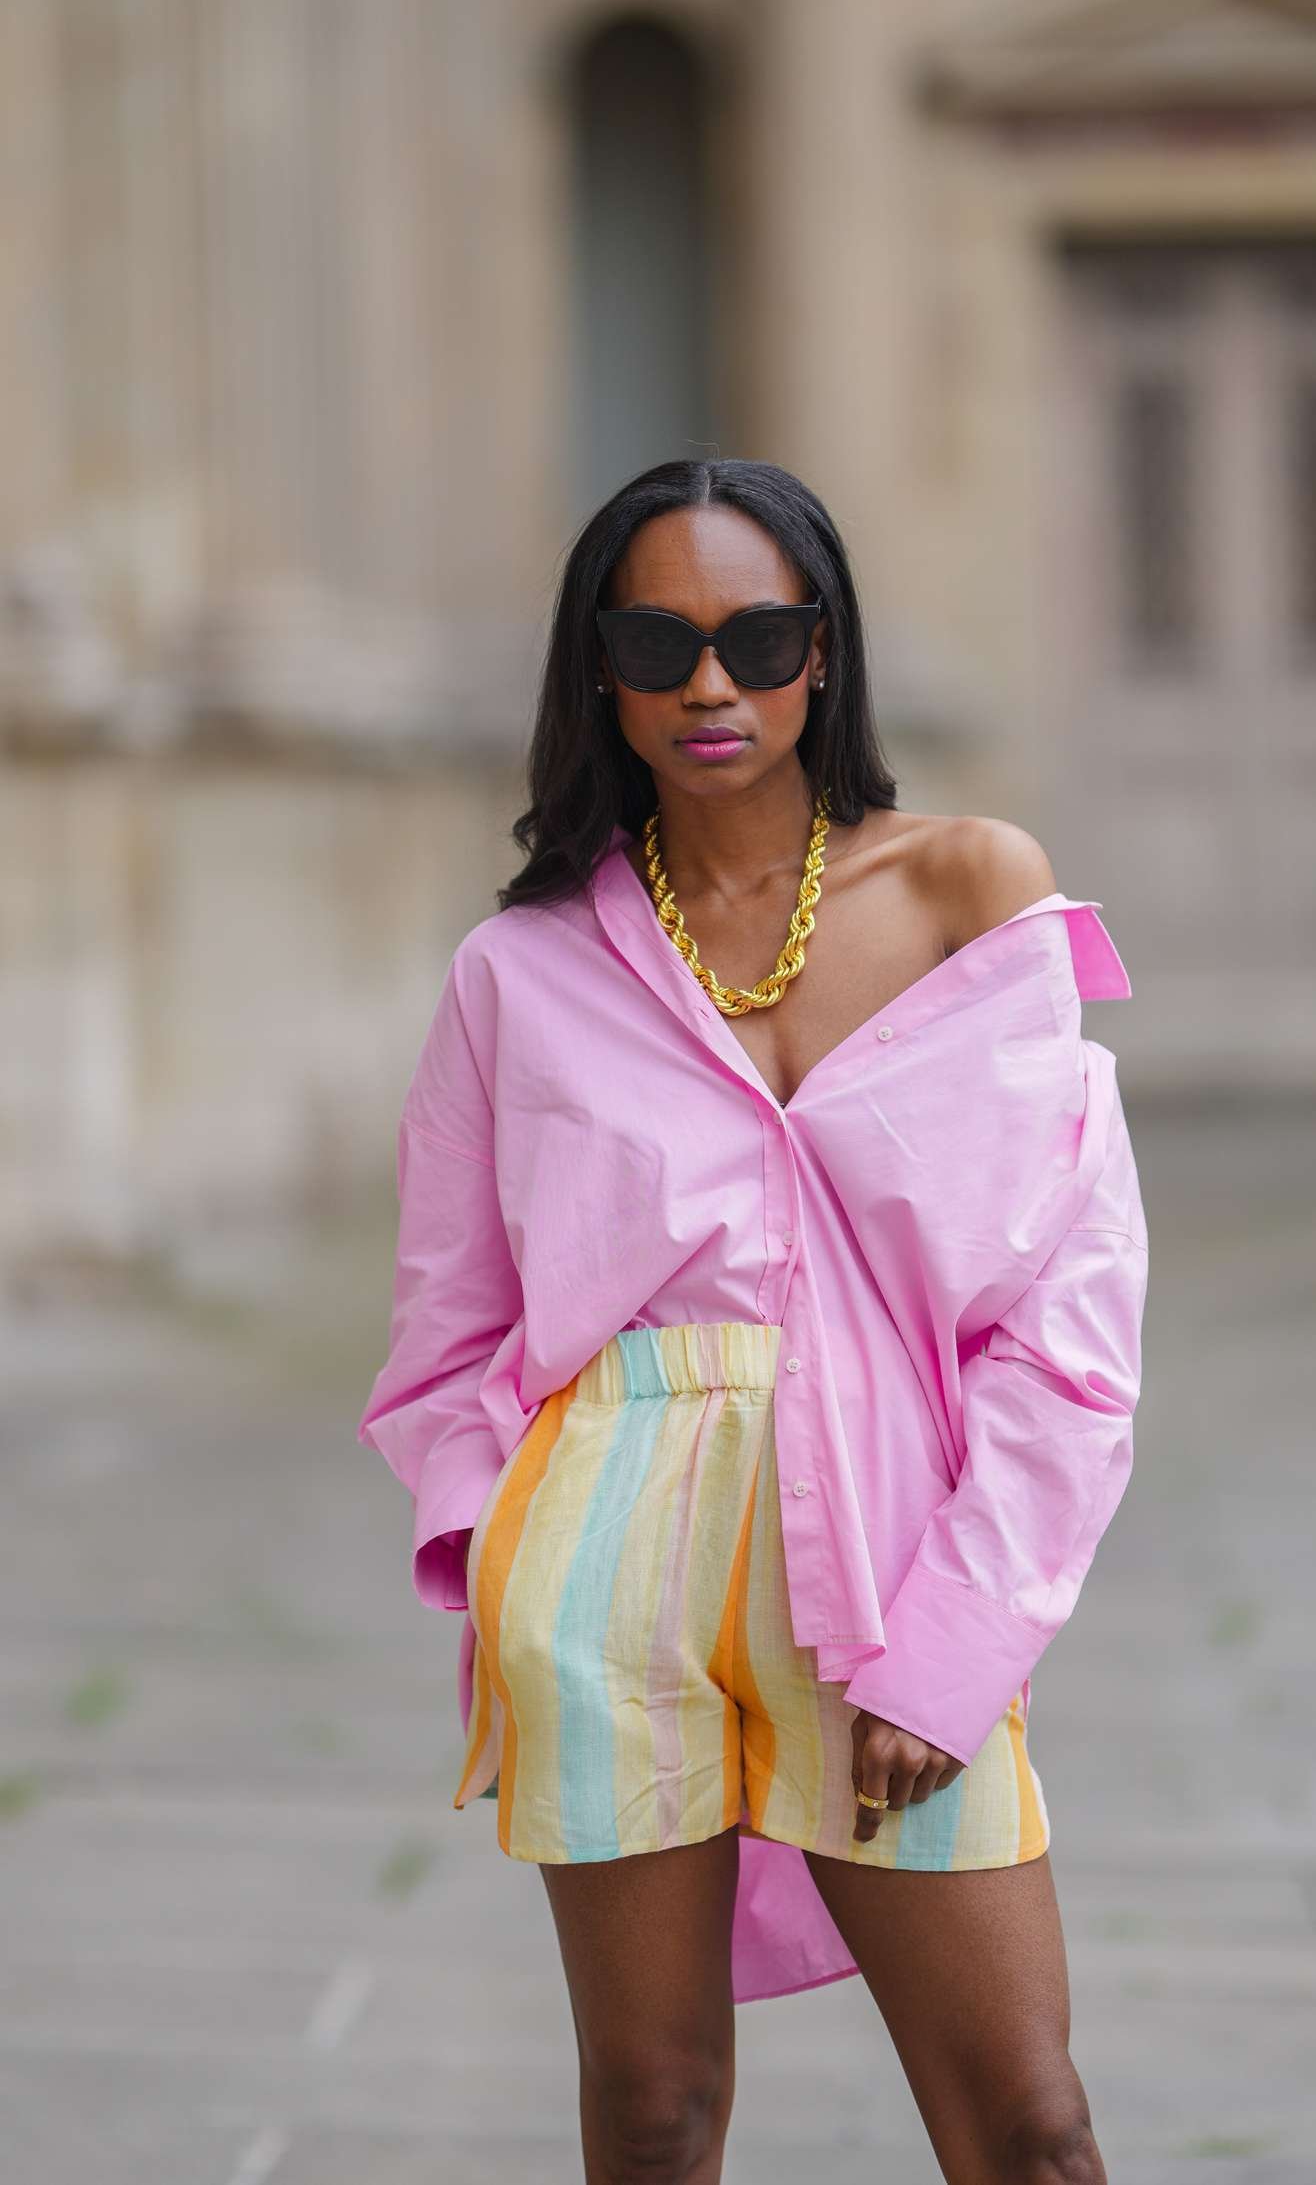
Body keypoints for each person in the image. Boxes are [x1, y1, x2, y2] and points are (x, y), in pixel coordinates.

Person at [355, 456, 1149, 2184]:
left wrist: (955, 1641)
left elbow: (1072, 1325)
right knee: (652, 2119)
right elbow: (444, 1325)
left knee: (1031, 2124)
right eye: (658, 639)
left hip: (886, 1555)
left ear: (822, 653)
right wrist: (500, 1558)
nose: (710, 683)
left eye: (757, 633)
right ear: (600, 672)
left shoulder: (970, 890)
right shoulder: (522, 969)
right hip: (604, 1559)